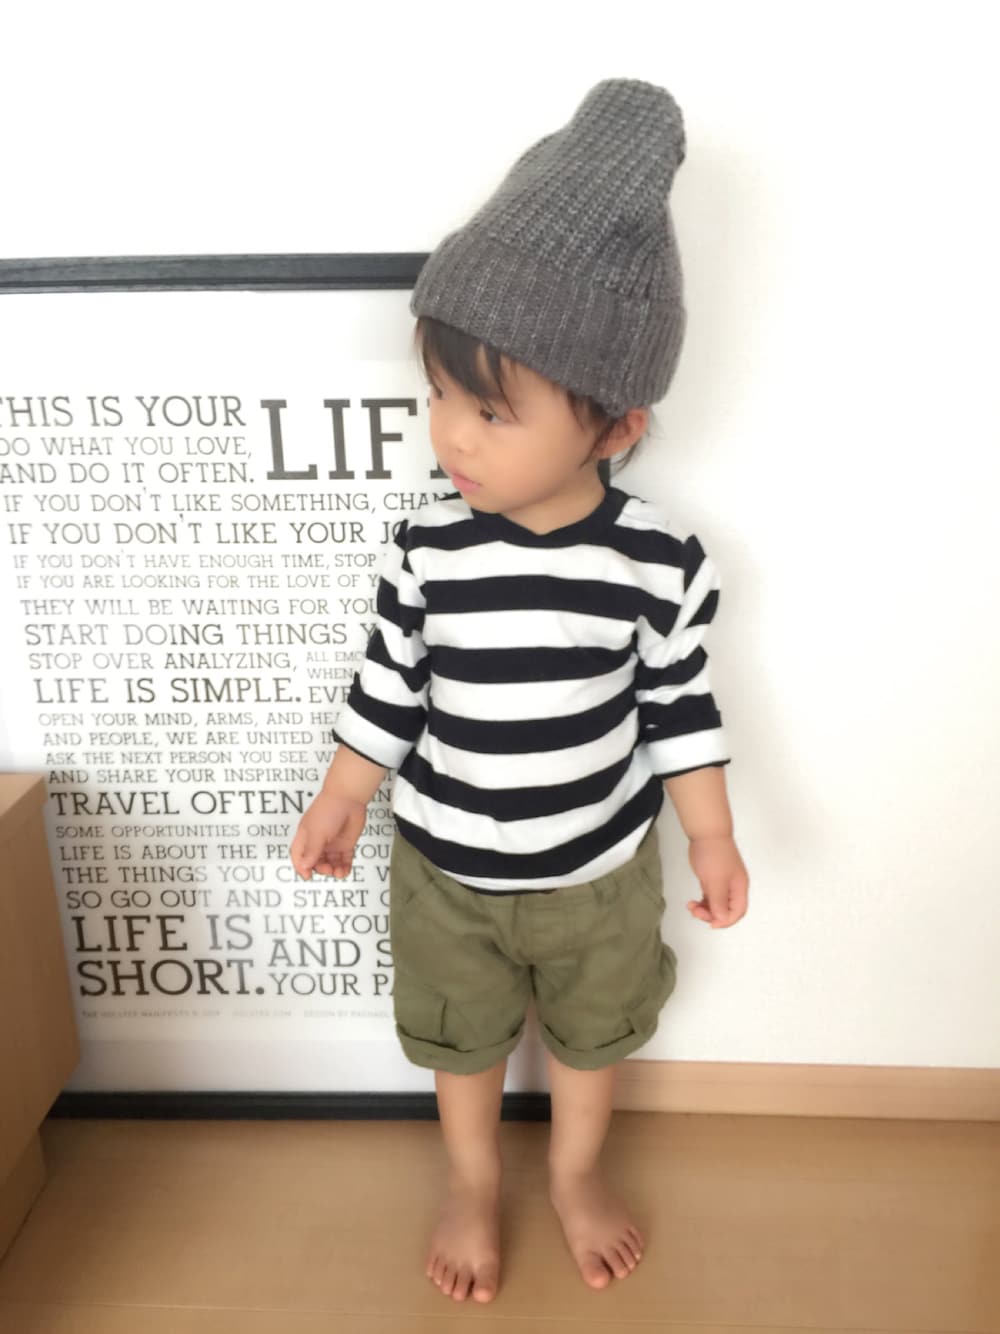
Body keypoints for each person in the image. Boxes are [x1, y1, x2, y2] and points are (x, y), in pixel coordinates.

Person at [290, 77, 750, 1305]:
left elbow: (679, 707)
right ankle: (471, 1178)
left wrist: (710, 834)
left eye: (491, 409)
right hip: (447, 866)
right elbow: (388, 683)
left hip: (600, 869)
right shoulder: (427, 544)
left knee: (594, 1037)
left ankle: (576, 1172)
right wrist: (343, 795)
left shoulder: (655, 561)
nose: (452, 434)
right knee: (462, 1036)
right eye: (441, 394)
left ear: (614, 428)